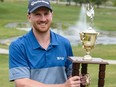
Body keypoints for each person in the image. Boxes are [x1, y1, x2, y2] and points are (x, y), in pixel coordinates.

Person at [9, 0, 86, 87]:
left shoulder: (64, 43)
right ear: (29, 17)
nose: (43, 19)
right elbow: (22, 83)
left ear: (51, 15)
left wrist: (79, 79)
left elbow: (70, 75)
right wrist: (63, 86)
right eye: (37, 14)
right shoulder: (18, 46)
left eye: (46, 14)